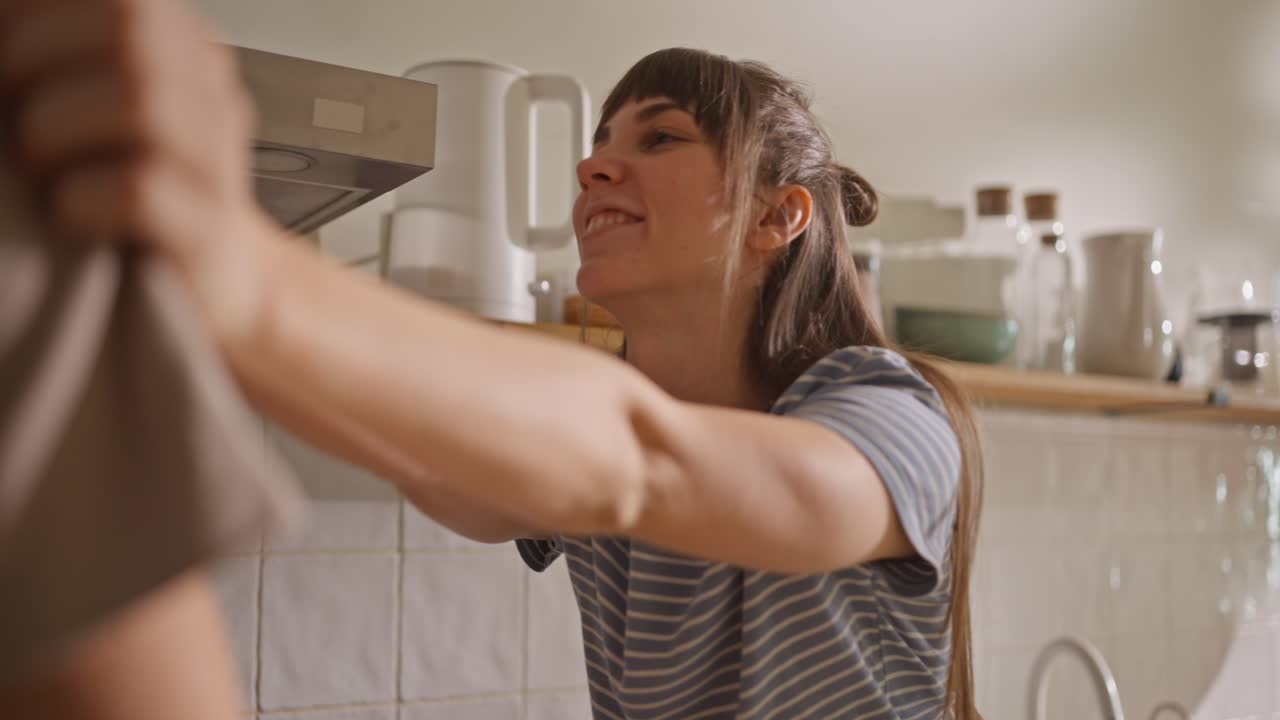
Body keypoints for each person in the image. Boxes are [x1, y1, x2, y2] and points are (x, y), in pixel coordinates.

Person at [2, 0, 984, 717]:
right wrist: (188, 310)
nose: (593, 164)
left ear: (779, 215)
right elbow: (438, 465)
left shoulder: (890, 416)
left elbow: (646, 462)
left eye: (660, 137)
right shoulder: (593, 441)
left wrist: (243, 271)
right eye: (599, 140)